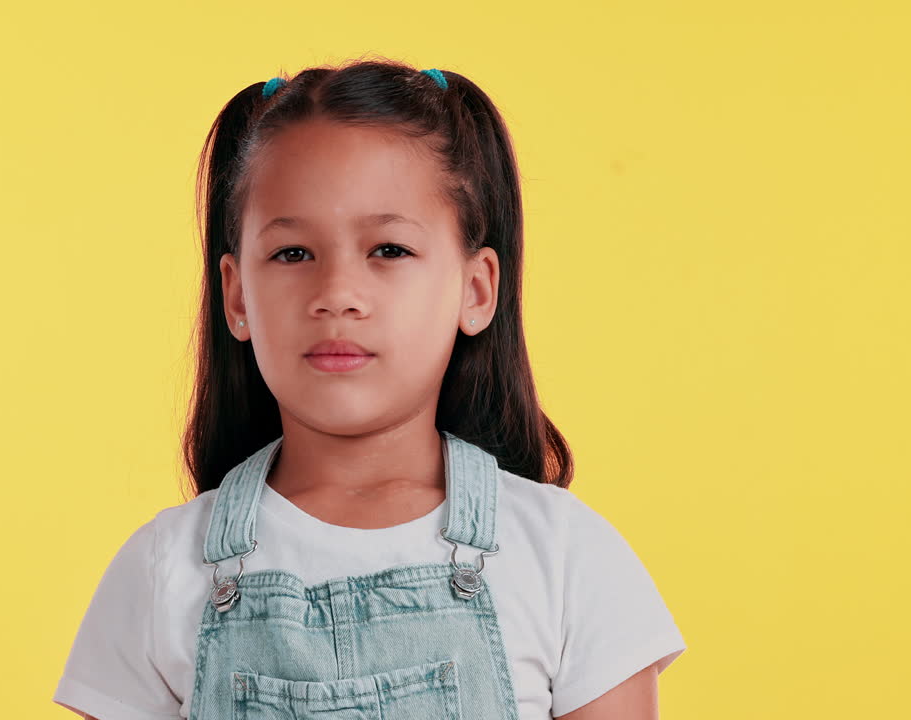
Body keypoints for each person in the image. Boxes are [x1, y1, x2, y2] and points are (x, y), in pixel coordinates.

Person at [52, 58, 686, 720]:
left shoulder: (566, 559)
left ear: (476, 290)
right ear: (237, 297)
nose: (337, 296)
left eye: (388, 250)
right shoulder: (162, 571)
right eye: (293, 253)